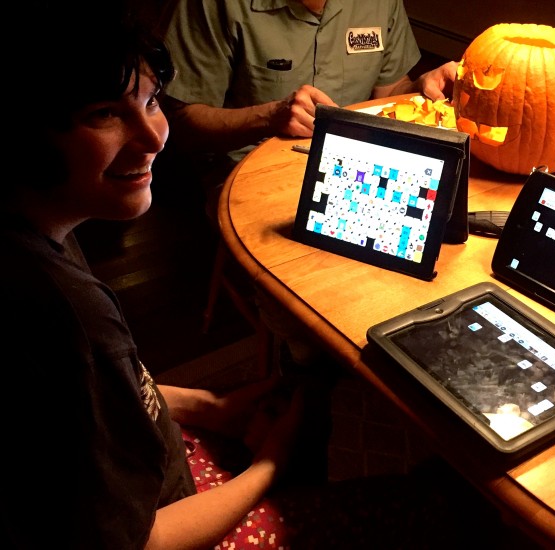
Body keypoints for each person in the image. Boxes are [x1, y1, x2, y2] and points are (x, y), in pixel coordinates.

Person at [0, 2, 527, 548]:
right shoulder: (71, 317)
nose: (153, 136)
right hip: (169, 516)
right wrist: (272, 467)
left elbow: (107, 397)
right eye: (105, 114)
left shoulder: (45, 234)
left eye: (150, 100)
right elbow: (142, 541)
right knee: (446, 505)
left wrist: (210, 406)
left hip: (146, 466)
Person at [159, 0, 459, 195]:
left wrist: (423, 89)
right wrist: (270, 117)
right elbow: (182, 126)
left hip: (354, 170)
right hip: (247, 175)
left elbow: (387, 94)